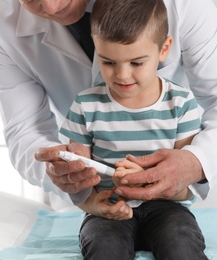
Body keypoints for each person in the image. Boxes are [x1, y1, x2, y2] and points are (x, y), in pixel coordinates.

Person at [0, 0, 217, 211]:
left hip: (192, 198)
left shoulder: (180, 4)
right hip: (97, 204)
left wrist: (197, 161)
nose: (53, 7)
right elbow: (24, 129)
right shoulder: (0, 22)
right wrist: (54, 170)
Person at [58, 2, 207, 258]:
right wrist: (97, 206)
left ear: (164, 49)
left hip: (167, 209)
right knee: (105, 249)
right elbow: (79, 185)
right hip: (107, 209)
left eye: (136, 63)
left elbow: (186, 186)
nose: (122, 75)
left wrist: (150, 180)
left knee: (180, 246)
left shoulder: (181, 103)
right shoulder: (85, 105)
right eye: (108, 62)